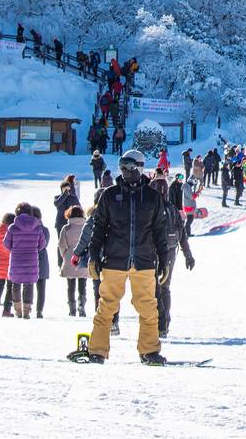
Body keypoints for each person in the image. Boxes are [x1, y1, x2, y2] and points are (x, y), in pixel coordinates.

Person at [69, 150, 169, 365]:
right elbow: (99, 228)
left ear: (140, 167)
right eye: (122, 166)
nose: (125, 171)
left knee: (148, 308)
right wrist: (94, 256)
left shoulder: (152, 197)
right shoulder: (110, 195)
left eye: (130, 166)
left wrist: (164, 260)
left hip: (143, 261)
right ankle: (97, 350)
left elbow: (160, 231)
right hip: (115, 259)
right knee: (106, 306)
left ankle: (149, 350)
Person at [148, 172, 197, 339]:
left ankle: (157, 324)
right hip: (170, 250)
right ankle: (164, 325)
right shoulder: (172, 209)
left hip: (151, 251)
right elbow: (182, 234)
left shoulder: (149, 208)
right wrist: (188, 255)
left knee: (152, 288)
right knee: (164, 287)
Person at [2, 203, 46, 319]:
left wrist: (15, 248)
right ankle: (27, 311)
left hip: (16, 260)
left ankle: (18, 310)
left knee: (15, 284)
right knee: (29, 285)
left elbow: (6, 244)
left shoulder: (12, 227)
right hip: (31, 260)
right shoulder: (37, 227)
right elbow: (42, 244)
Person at [59, 204, 90, 316]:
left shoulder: (66, 228)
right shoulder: (86, 226)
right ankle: (81, 305)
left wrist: (65, 256)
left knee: (70, 286)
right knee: (83, 284)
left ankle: (72, 309)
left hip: (70, 258)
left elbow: (62, 245)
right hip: (83, 257)